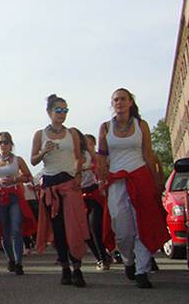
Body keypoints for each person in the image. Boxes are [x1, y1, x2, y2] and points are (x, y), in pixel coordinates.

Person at [97, 88, 170, 288]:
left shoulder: (141, 125)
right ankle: (129, 259)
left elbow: (148, 154)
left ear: (130, 102)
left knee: (142, 224)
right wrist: (102, 178)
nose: (119, 102)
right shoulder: (105, 127)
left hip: (140, 177)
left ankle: (142, 271)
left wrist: (156, 181)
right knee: (122, 227)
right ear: (112, 104)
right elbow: (101, 156)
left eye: (123, 99)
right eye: (115, 100)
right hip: (116, 180)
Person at [31, 94, 90, 287]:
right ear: (49, 112)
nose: (62, 114)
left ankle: (77, 268)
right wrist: (43, 152)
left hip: (68, 183)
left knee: (74, 226)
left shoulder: (71, 133)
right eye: (58, 110)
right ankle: (65, 267)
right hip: (50, 185)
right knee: (58, 229)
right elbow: (33, 160)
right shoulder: (40, 134)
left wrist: (78, 177)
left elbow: (78, 157)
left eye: (65, 111)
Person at [0, 132, 36, 275]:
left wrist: (15, 179)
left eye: (6, 142)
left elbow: (28, 176)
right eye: (0, 142)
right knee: (4, 231)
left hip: (14, 195)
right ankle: (11, 259)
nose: (3, 145)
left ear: (11, 144)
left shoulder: (17, 160)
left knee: (16, 229)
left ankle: (19, 262)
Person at [75, 129, 111, 271]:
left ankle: (104, 257)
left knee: (95, 226)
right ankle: (101, 257)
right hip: (79, 196)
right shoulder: (73, 156)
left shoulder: (93, 156)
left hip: (94, 193)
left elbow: (102, 168)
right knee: (85, 232)